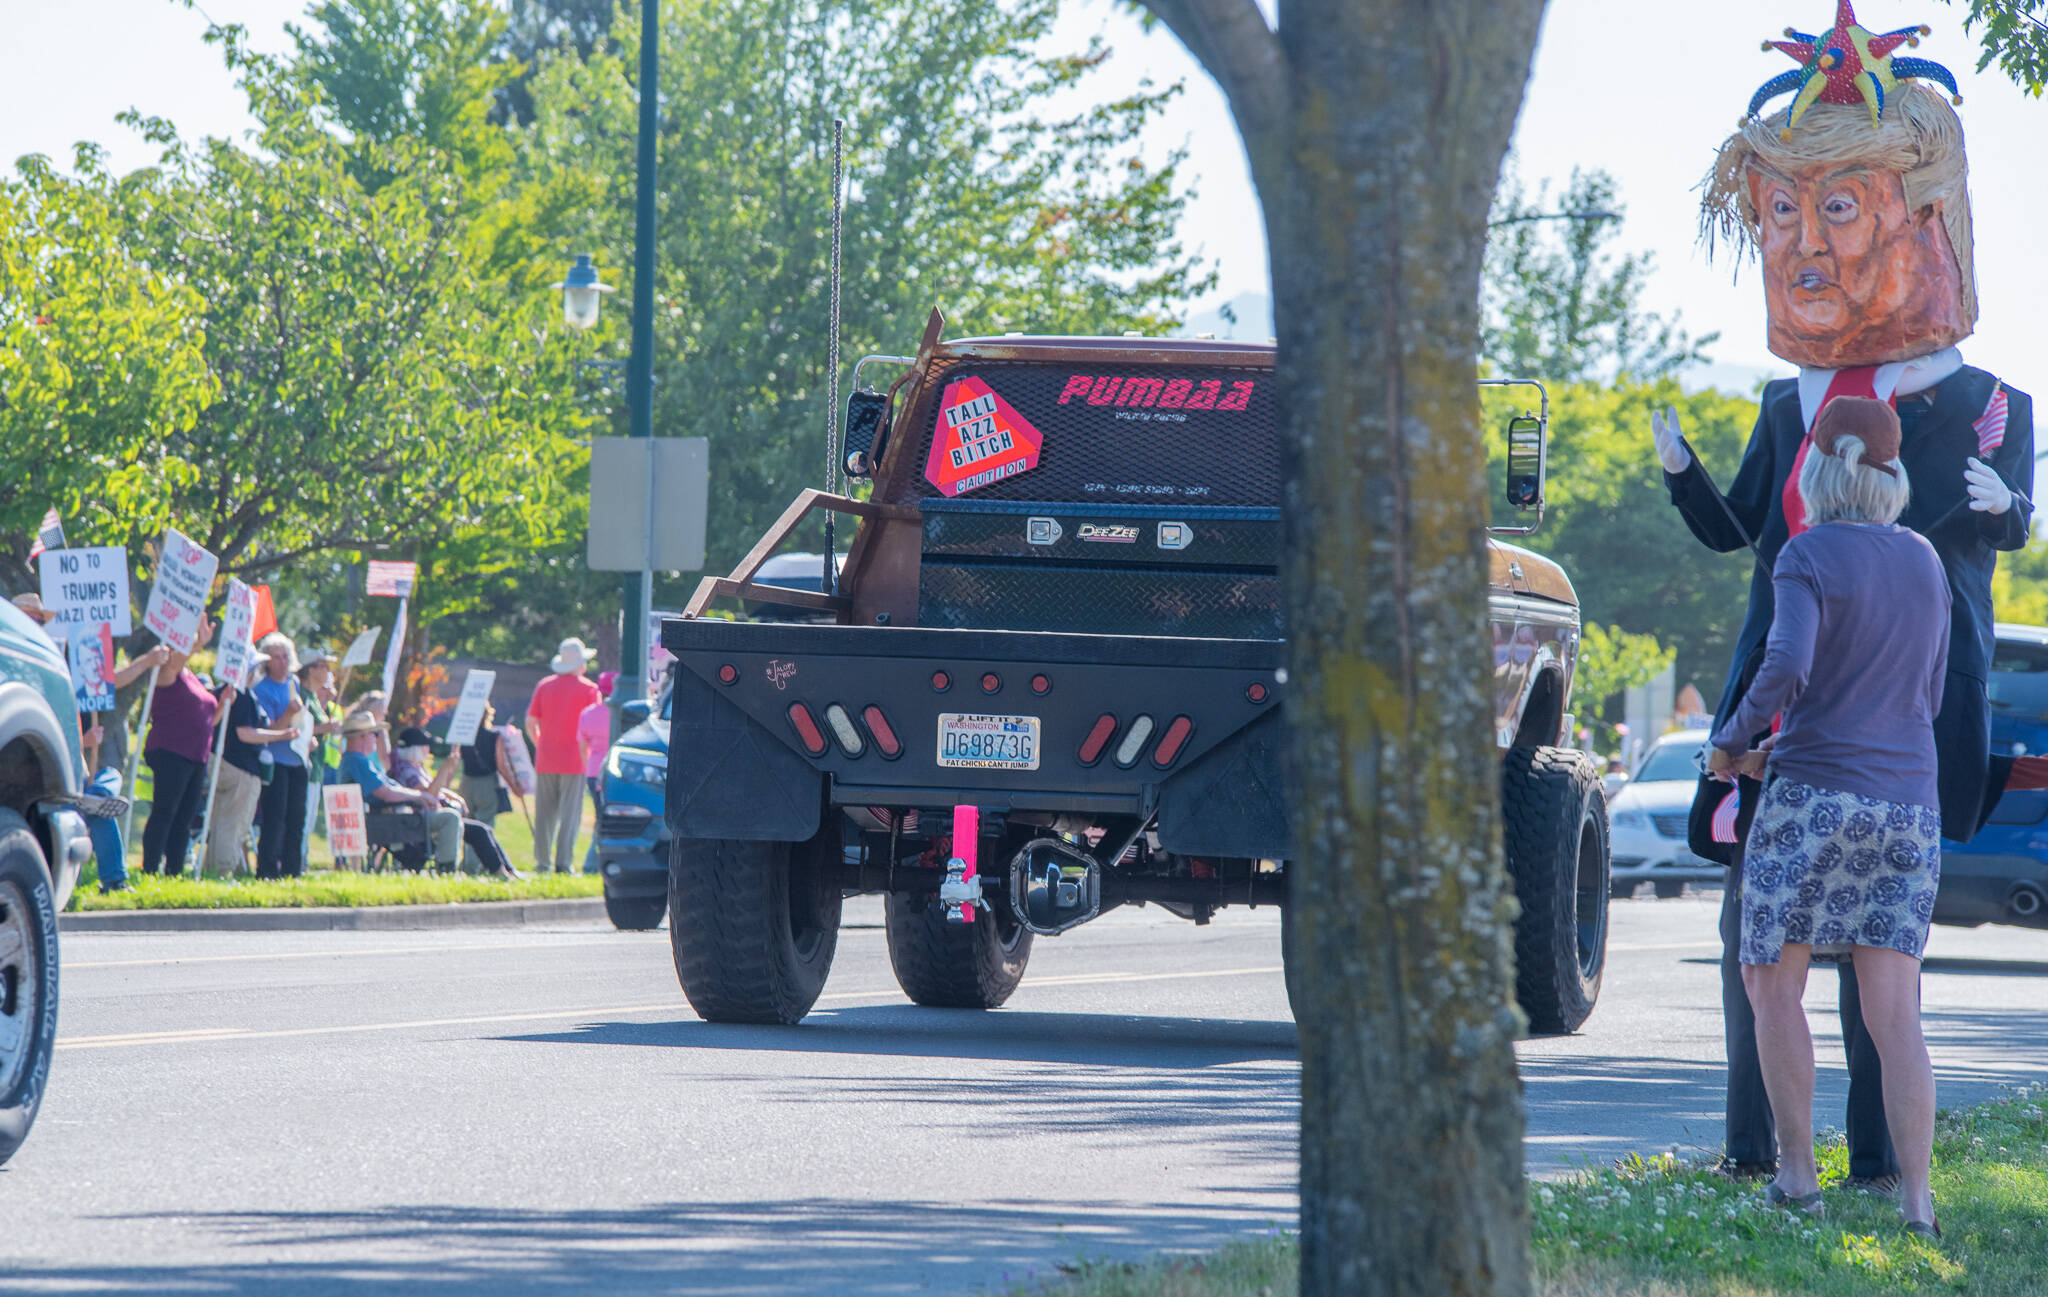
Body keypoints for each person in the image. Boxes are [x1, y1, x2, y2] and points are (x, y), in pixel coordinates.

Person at [1664, 48, 2033, 1191]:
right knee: (1793, 949)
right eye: (1785, 213)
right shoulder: (1790, 405)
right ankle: (1773, 1151)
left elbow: (2004, 529)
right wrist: (1680, 473)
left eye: (1837, 208)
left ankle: (1850, 1159)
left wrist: (2006, 504)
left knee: (1843, 965)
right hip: (1823, 741)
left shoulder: (1986, 404)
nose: (1808, 248)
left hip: (1885, 728)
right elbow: (1738, 528)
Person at [1706, 397, 1946, 1234]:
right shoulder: (1924, 559)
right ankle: (1917, 1201)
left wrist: (1734, 740)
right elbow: (1925, 696)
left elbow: (1787, 663)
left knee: (1773, 981)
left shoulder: (1805, 553)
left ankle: (1798, 1175)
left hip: (1811, 800)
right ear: (1891, 476)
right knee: (1895, 1008)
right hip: (1908, 805)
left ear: (1815, 468)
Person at [9, 595, 166, 890]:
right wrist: (84, 740)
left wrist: (147, 661)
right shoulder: (19, 661)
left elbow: (106, 681)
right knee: (96, 803)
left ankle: (113, 876)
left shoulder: (54, 657)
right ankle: (109, 876)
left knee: (102, 793)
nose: (37, 623)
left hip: (68, 761)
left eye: (40, 619)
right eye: (31, 617)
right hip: (37, 762)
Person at [339, 712, 515, 876]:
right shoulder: (357, 762)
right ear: (361, 736)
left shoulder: (356, 761)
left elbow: (388, 791)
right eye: (375, 733)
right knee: (450, 818)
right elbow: (385, 793)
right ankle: (447, 872)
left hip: (391, 818)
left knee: (468, 825)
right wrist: (419, 796)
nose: (376, 738)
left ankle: (497, 870)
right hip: (389, 821)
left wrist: (422, 795)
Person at [140, 616, 220, 878]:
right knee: (165, 812)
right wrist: (199, 642)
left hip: (196, 756)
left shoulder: (191, 677)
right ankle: (150, 868)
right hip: (171, 752)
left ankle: (174, 872)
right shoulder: (164, 673)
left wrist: (224, 703)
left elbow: (207, 719)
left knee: (185, 817)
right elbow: (176, 661)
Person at [210, 661, 296, 877]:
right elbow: (245, 733)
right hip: (239, 767)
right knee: (234, 821)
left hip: (222, 763)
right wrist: (282, 735)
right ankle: (224, 870)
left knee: (219, 821)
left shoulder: (224, 692)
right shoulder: (242, 695)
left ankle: (212, 870)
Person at [526, 637, 602, 873]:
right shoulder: (590, 690)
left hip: (546, 757)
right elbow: (594, 725)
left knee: (544, 814)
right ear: (580, 664)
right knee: (570, 815)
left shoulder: (544, 685)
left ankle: (542, 862)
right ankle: (564, 863)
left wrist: (540, 743)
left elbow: (530, 722)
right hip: (577, 759)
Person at [250, 632, 310, 878]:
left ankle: (292, 871)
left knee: (297, 819)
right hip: (275, 760)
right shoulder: (261, 689)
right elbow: (269, 730)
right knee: (275, 819)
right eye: (276, 657)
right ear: (267, 661)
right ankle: (267, 871)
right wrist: (287, 714)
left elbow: (300, 722)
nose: (282, 662)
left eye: (285, 656)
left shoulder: (294, 684)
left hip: (297, 759)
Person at [297, 649, 343, 869]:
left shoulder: (314, 697)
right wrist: (324, 728)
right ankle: (296, 862)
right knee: (301, 819)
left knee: (309, 819)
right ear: (310, 670)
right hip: (303, 767)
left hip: (316, 768)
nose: (328, 671)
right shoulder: (301, 695)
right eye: (324, 666)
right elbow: (297, 729)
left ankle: (301, 861)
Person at [579, 671, 616, 873]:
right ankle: (592, 863)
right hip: (614, 772)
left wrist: (588, 767)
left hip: (593, 772)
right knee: (607, 820)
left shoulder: (588, 714)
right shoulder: (620, 714)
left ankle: (594, 862)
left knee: (599, 817)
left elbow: (582, 746)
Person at [456, 703, 512, 830]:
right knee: (486, 826)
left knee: (466, 824)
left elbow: (455, 758)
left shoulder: (462, 736)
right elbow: (501, 765)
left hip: (466, 783)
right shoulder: (494, 736)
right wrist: (514, 786)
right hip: (487, 784)